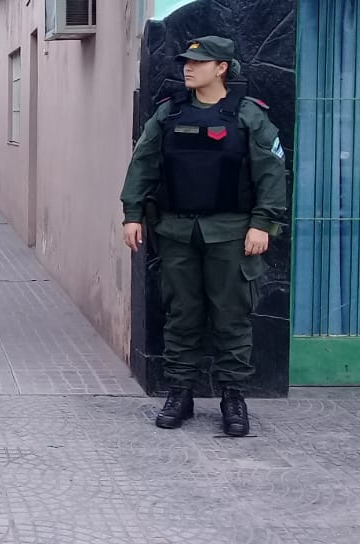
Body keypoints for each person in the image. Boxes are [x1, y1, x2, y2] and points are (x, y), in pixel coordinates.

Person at [119, 36, 288, 437]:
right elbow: (143, 162)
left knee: (232, 317)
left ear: (222, 68)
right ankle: (180, 393)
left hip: (232, 233)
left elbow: (271, 172)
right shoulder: (169, 113)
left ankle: (233, 396)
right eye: (186, 62)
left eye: (199, 62)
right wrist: (132, 213)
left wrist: (263, 222)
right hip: (177, 231)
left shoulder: (248, 115)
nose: (188, 68)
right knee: (181, 315)